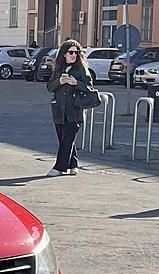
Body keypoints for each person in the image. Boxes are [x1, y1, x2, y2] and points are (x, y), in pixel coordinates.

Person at [46, 39, 93, 176]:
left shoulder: (82, 70)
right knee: (64, 139)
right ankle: (73, 164)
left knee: (67, 140)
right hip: (59, 111)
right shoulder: (58, 69)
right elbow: (49, 87)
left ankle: (59, 168)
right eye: (71, 52)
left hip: (75, 111)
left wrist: (76, 83)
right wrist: (59, 82)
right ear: (64, 54)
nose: (74, 55)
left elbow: (90, 89)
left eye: (76, 53)